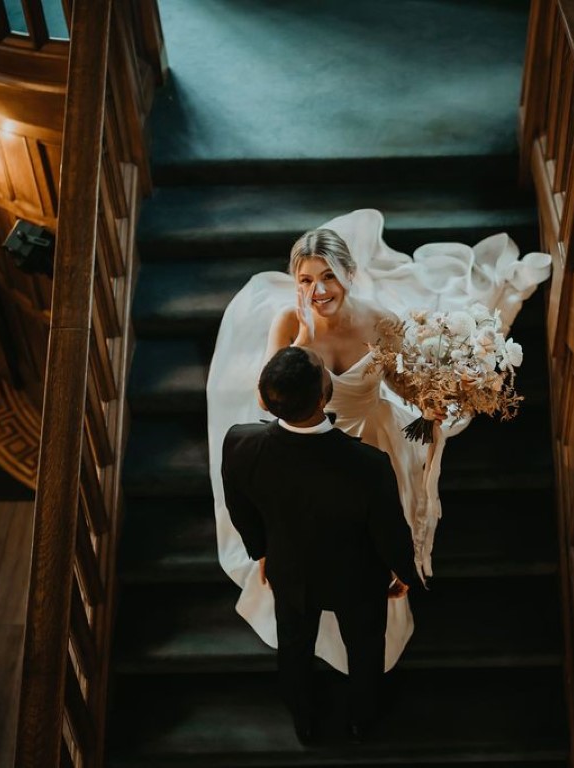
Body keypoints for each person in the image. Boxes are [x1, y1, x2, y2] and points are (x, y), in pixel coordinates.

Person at [206, 208, 551, 673]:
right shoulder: (290, 322)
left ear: (350, 273)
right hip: (309, 442)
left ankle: (377, 594)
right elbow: (268, 403)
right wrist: (303, 340)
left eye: (328, 276)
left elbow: (403, 385)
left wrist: (432, 400)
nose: (318, 291)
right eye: (305, 280)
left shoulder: (379, 322)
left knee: (370, 530)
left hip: (371, 437)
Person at [221, 346, 419, 742]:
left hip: (290, 571)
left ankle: (303, 717)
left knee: (293, 648)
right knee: (364, 650)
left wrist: (261, 551)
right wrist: (404, 571)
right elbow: (389, 531)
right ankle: (363, 716)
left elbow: (239, 507)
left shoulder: (240, 445)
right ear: (324, 396)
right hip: (357, 580)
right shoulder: (368, 465)